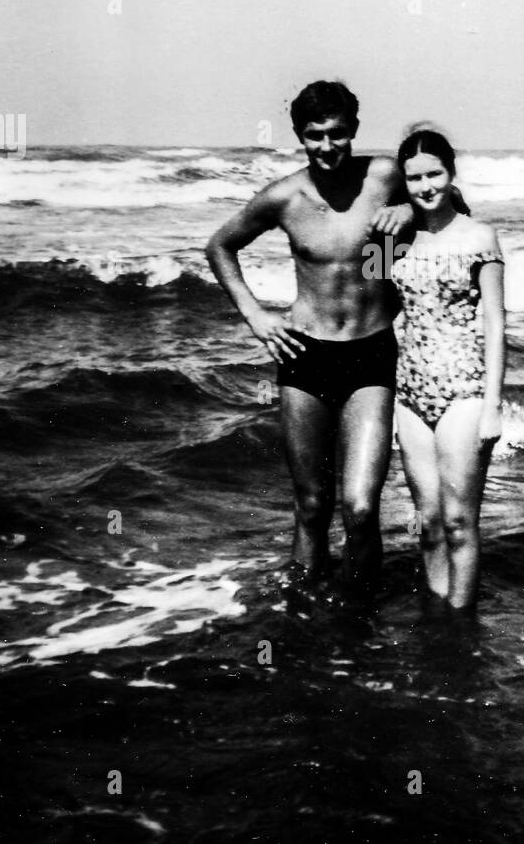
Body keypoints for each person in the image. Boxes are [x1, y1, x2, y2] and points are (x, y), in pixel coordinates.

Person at [205, 81, 412, 595]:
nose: (327, 146)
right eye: (314, 135)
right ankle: (301, 619)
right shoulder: (285, 197)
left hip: (371, 352)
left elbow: (445, 196)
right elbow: (220, 247)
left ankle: (359, 618)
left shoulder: (384, 176)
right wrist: (257, 317)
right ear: (299, 135)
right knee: (312, 505)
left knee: (361, 506)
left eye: (337, 134)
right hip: (306, 355)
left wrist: (408, 213)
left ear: (354, 131)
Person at [391, 129, 506, 609]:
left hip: (464, 391)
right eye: (414, 177)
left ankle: (462, 627)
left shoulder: (480, 237)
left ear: (451, 173)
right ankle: (438, 619)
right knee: (429, 523)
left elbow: (496, 323)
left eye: (434, 173)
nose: (425, 186)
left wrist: (493, 407)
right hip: (408, 393)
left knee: (460, 522)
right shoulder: (392, 242)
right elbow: (370, 303)